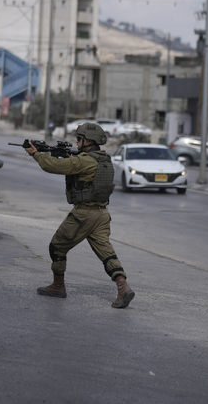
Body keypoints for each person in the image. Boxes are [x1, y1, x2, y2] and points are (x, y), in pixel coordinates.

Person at [24, 122, 135, 308]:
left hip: (83, 214)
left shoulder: (84, 161)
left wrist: (35, 154)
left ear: (87, 141)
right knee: (106, 253)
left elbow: (53, 166)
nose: (76, 142)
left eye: (79, 139)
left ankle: (58, 286)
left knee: (57, 247)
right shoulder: (104, 160)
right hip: (101, 214)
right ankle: (123, 286)